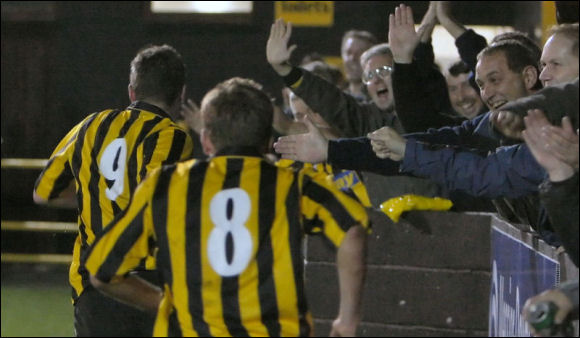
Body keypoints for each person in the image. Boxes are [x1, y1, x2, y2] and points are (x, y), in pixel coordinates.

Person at [84, 77, 369, 337]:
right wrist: (346, 321)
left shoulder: (165, 186)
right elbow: (352, 230)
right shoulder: (293, 184)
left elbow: (100, 271)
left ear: (206, 141)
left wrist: (162, 302)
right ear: (268, 140)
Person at [33, 44, 194, 336]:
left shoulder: (90, 125)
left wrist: (95, 194)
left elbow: (44, 192)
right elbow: (150, 197)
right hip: (151, 283)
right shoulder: (172, 137)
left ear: (132, 91)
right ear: (180, 94)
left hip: (93, 284)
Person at [341, 29, 378, 101]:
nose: (353, 58)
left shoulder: (382, 100)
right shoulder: (336, 100)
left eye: (360, 53)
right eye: (349, 53)